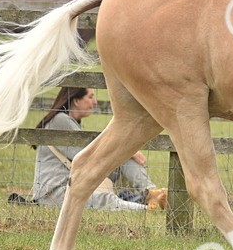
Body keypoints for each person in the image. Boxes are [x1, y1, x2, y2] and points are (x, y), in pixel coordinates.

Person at [26, 87, 167, 211]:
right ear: (76, 101)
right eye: (90, 97)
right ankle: (147, 209)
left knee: (125, 160)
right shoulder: (60, 120)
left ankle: (152, 192)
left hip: (72, 186)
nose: (95, 102)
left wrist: (126, 152)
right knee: (107, 200)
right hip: (54, 194)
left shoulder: (69, 122)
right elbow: (90, 156)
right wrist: (127, 150)